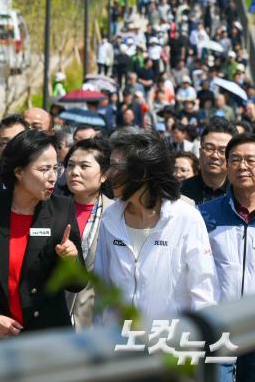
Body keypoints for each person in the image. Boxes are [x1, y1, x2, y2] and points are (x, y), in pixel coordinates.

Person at [0, 130, 85, 340]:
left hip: (44, 337)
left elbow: (77, 284)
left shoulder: (62, 210)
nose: (53, 177)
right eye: (44, 169)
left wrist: (70, 260)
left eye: (55, 168)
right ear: (19, 171)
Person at [94, 128, 217, 325]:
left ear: (142, 172)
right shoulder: (110, 218)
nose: (108, 174)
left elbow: (203, 291)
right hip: (119, 344)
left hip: (170, 345)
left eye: (116, 166)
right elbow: (103, 288)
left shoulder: (185, 218)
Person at [199, 133, 255, 382]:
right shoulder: (204, 216)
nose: (243, 166)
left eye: (251, 160)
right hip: (220, 329)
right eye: (235, 160)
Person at [63, 137, 113, 330]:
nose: (74, 172)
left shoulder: (116, 215)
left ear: (104, 175)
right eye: (70, 165)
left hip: (98, 320)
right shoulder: (51, 210)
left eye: (84, 166)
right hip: (56, 320)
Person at [181, 118, 238, 205]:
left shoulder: (241, 194)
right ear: (200, 152)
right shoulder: (180, 192)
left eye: (223, 150)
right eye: (209, 148)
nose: (215, 155)